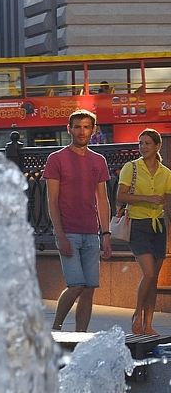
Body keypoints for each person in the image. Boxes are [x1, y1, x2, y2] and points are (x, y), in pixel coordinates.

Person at [44, 109, 112, 333]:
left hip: (92, 233)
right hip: (68, 232)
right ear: (69, 129)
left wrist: (106, 235)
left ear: (93, 130)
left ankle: (80, 338)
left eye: (86, 127)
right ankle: (56, 329)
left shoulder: (99, 161)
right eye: (77, 127)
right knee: (76, 286)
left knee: (89, 289)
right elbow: (52, 201)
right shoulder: (56, 159)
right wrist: (60, 235)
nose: (82, 131)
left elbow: (102, 199)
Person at [116, 128, 171, 335]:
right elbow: (121, 196)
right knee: (148, 273)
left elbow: (168, 203)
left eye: (147, 143)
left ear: (158, 146)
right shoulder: (131, 167)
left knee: (153, 278)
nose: (143, 147)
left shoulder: (166, 173)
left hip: (158, 226)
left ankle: (148, 324)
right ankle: (137, 314)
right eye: (141, 143)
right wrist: (147, 199)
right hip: (138, 225)